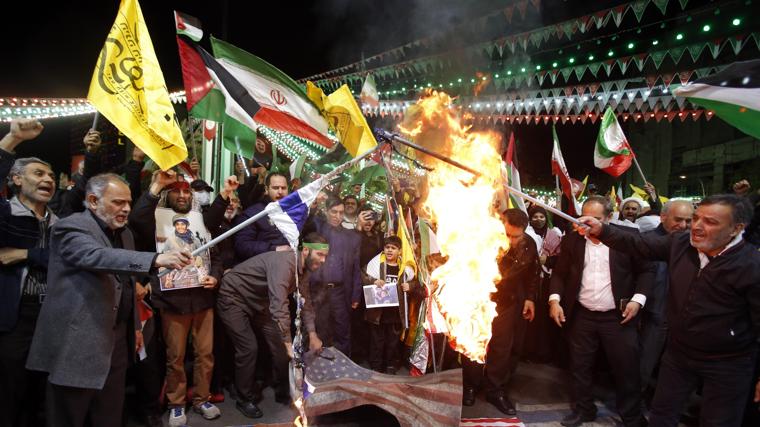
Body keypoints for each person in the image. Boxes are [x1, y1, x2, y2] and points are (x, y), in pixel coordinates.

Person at [577, 194, 760, 427]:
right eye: (696, 218)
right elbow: (638, 244)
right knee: (661, 415)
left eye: (711, 222)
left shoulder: (751, 266)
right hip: (679, 354)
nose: (697, 227)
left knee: (718, 421)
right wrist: (602, 230)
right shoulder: (681, 243)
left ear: (736, 229)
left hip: (727, 362)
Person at [25, 173, 192, 427]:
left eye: (128, 202)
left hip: (116, 342)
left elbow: (126, 285)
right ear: (93, 200)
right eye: (118, 202)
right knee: (69, 415)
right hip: (77, 342)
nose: (126, 208)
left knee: (110, 414)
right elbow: (95, 256)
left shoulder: (124, 234)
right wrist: (154, 259)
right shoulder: (70, 227)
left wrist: (135, 327)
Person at [129, 170, 223, 427]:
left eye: (186, 191)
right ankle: (177, 404)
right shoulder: (155, 219)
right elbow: (136, 219)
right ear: (167, 194)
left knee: (205, 354)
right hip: (172, 302)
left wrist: (215, 277)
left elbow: (215, 255)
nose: (182, 195)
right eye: (176, 190)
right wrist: (156, 187)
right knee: (176, 357)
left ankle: (202, 399)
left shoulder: (200, 221)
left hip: (202, 299)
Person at [549, 196, 653, 427]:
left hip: (618, 317)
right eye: (583, 218)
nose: (587, 224)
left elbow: (647, 271)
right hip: (582, 314)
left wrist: (638, 300)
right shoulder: (573, 240)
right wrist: (554, 300)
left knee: (626, 368)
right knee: (579, 366)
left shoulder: (628, 239)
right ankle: (584, 410)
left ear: (609, 218)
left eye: (595, 219)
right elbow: (559, 273)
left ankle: (632, 416)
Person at [217, 232, 326, 418]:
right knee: (249, 348)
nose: (323, 260)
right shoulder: (285, 263)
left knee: (280, 347)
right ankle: (244, 398)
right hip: (234, 297)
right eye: (320, 255)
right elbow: (279, 304)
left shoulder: (304, 271)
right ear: (306, 250)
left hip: (260, 302)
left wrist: (313, 334)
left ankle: (283, 388)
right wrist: (288, 342)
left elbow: (306, 303)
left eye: (325, 256)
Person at [0, 119, 56, 427]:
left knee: (42, 392)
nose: (48, 178)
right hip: (15, 317)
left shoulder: (59, 221)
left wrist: (26, 254)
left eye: (50, 174)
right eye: (39, 173)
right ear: (16, 180)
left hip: (52, 314)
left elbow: (65, 259)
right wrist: (12, 140)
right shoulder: (6, 214)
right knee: (11, 390)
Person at [462, 209, 539, 415]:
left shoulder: (528, 244)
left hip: (507, 302)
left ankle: (495, 390)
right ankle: (470, 386)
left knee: (501, 348)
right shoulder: (481, 240)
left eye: (516, 236)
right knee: (474, 343)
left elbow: (533, 272)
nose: (511, 241)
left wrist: (530, 298)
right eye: (507, 235)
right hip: (478, 300)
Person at [638, 200, 693, 399]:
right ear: (662, 217)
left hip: (682, 320)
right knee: (643, 366)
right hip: (651, 316)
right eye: (678, 220)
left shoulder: (694, 244)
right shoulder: (645, 241)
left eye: (689, 221)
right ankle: (633, 407)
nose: (684, 226)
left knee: (675, 371)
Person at [308, 197, 362, 355]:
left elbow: (355, 268)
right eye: (334, 212)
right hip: (318, 290)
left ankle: (342, 370)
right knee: (320, 330)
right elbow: (307, 221)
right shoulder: (317, 227)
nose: (337, 216)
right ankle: (320, 370)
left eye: (341, 213)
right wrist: (313, 205)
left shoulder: (352, 237)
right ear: (326, 211)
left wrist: (355, 294)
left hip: (340, 291)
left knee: (342, 331)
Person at [363, 236, 418, 374]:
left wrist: (409, 286)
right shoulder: (375, 264)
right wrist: (373, 280)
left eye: (393, 248)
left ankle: (390, 366)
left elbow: (417, 283)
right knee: (377, 341)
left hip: (395, 313)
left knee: (392, 341)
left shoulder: (405, 268)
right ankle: (376, 366)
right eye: (387, 247)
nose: (389, 250)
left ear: (399, 251)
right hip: (378, 313)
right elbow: (363, 275)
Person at [523, 205, 562, 363]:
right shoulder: (526, 235)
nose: (538, 220)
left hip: (547, 283)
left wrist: (548, 260)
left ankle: (545, 352)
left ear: (546, 219)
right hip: (530, 283)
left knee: (544, 320)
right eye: (535, 217)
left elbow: (560, 259)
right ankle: (528, 351)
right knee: (530, 319)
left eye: (542, 217)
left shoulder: (554, 235)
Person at [233, 172, 290, 263]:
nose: (280, 191)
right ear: (266, 190)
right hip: (261, 268)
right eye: (275, 188)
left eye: (283, 188)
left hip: (286, 266)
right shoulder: (253, 214)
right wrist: (273, 248)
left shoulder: (290, 213)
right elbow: (242, 246)